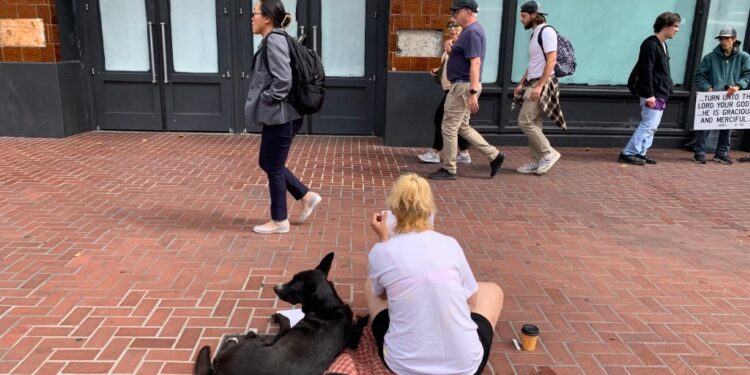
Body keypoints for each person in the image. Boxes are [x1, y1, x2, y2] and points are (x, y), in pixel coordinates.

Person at [365, 173, 504, 375]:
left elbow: (381, 294)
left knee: (370, 285)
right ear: (429, 209)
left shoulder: (380, 251)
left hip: (402, 365)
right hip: (466, 366)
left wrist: (383, 239)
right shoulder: (449, 243)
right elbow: (472, 301)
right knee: (491, 290)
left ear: (392, 211)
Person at [246, 0, 322, 234]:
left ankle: (279, 220)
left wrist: (267, 97)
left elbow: (283, 80)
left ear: (267, 18)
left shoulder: (274, 41)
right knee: (267, 162)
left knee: (274, 166)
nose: (251, 17)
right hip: (279, 116)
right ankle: (306, 196)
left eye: (254, 13)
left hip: (282, 116)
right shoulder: (274, 39)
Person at [428, 0, 505, 181]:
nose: (454, 15)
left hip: (463, 86)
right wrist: (451, 43)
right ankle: (494, 155)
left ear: (468, 12)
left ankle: (449, 169)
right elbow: (464, 55)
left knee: (448, 127)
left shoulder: (472, 32)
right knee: (462, 127)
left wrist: (472, 93)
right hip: (463, 85)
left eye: (457, 11)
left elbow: (475, 63)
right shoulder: (470, 32)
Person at [618, 12, 681, 165]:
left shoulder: (662, 44)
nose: (677, 30)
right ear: (665, 26)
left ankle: (641, 152)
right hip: (653, 93)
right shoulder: (650, 44)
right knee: (649, 124)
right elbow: (646, 70)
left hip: (660, 91)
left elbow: (662, 70)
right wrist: (649, 94)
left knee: (653, 126)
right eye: (675, 26)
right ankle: (628, 152)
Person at [512, 1, 565, 175]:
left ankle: (548, 152)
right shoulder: (535, 33)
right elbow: (534, 63)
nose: (521, 19)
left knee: (524, 120)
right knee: (534, 122)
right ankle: (537, 160)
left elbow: (552, 60)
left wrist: (540, 85)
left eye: (524, 15)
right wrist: (521, 82)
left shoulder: (547, 31)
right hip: (532, 81)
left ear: (534, 15)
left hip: (542, 82)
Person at [692, 26, 750, 165]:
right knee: (704, 125)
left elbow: (748, 74)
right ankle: (699, 152)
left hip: (731, 97)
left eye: (727, 38)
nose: (724, 41)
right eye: (721, 39)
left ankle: (722, 153)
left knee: (727, 125)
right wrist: (708, 88)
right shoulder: (710, 57)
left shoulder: (744, 57)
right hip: (713, 96)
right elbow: (699, 75)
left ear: (734, 39)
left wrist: (738, 86)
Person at [418, 20, 472, 165]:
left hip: (457, 89)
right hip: (451, 88)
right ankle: (464, 153)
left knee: (440, 120)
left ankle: (435, 153)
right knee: (460, 125)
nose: (453, 29)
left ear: (463, 27)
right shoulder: (451, 43)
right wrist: (439, 69)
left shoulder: (463, 44)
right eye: (450, 26)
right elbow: (451, 63)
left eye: (456, 26)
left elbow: (469, 64)